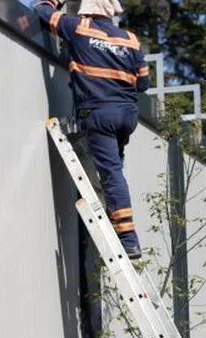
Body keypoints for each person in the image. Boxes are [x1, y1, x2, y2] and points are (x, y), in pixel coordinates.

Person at [32, 0, 150, 260]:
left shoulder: (78, 28)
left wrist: (55, 1)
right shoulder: (131, 39)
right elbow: (143, 83)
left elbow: (41, 11)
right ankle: (115, 216)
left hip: (99, 113)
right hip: (126, 115)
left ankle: (128, 239)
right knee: (114, 169)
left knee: (111, 173)